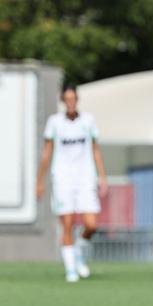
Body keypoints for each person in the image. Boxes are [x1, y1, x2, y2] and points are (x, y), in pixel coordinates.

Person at [36, 85, 108, 282]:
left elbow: (95, 150)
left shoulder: (88, 121)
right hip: (63, 178)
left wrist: (102, 176)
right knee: (67, 223)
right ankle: (71, 269)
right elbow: (47, 152)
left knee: (92, 224)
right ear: (63, 101)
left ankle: (78, 252)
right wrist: (39, 181)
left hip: (85, 177)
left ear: (77, 100)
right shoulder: (54, 122)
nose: (70, 102)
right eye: (67, 99)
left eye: (73, 99)